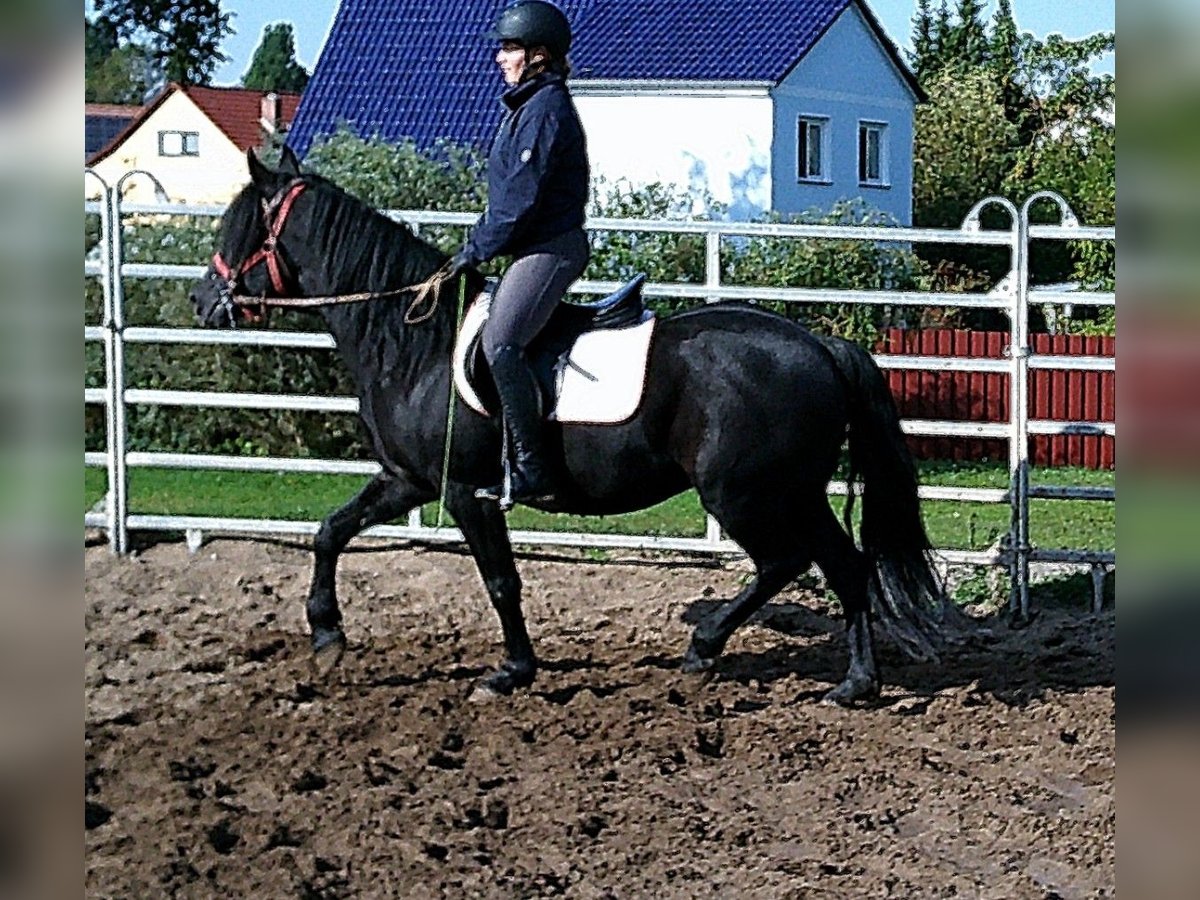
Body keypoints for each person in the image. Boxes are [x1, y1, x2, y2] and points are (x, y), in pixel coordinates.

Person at [447, 0, 590, 506]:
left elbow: (518, 202)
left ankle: (533, 469)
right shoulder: (527, 108)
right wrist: (472, 248)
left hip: (550, 249)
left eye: (510, 48)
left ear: (539, 56)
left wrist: (473, 253)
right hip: (532, 248)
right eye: (503, 48)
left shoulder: (544, 111)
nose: (500, 57)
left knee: (500, 342)